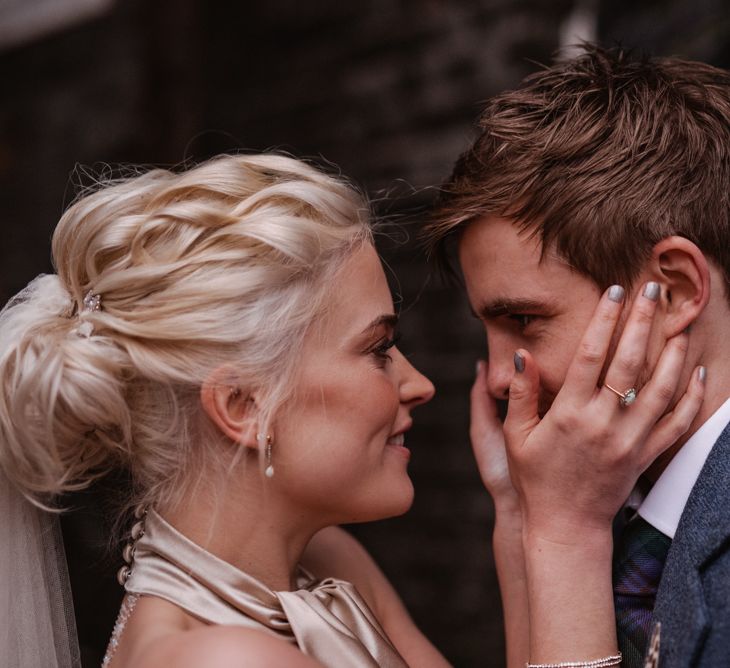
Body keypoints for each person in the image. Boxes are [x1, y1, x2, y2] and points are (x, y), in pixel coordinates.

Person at [0, 153, 700, 668]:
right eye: (379, 348)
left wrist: (521, 510)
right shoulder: (221, 661)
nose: (419, 383)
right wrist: (570, 529)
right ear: (244, 406)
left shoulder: (321, 561)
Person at [425, 44, 730, 667]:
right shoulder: (605, 501)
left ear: (672, 291)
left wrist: (565, 534)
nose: (503, 380)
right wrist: (526, 516)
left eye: (524, 321)